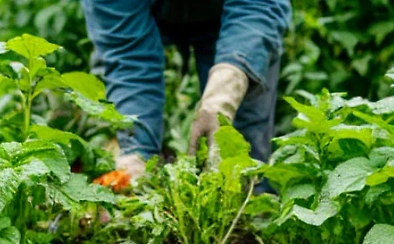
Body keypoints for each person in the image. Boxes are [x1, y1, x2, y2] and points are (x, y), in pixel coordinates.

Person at [81, 0, 292, 181]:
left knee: (240, 155)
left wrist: (224, 93)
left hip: (236, 15)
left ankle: (252, 211)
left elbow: (258, 6)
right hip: (138, 12)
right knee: (131, 152)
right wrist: (135, 154)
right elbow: (129, 57)